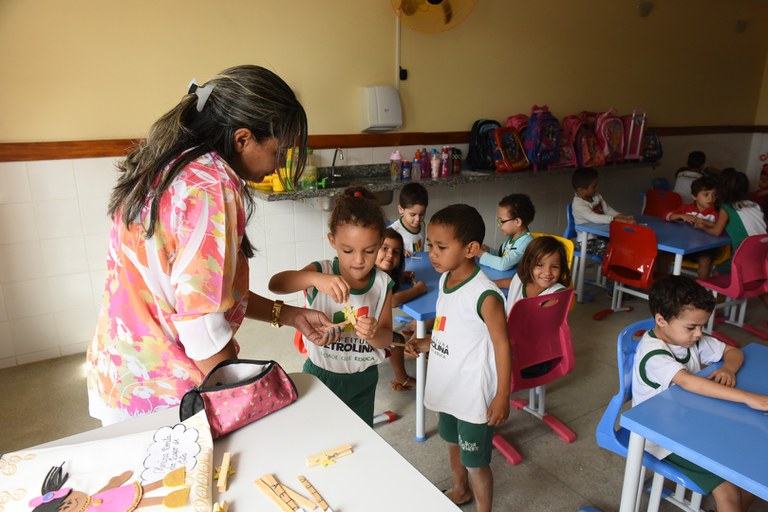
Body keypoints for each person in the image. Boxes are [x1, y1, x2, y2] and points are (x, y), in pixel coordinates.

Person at [86, 65, 334, 426]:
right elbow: (200, 325)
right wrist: (242, 399)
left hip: (121, 375)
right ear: (243, 139)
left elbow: (202, 293)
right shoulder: (211, 186)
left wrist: (291, 315)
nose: (281, 164)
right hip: (165, 394)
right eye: (280, 151)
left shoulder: (171, 166)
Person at [405, 204, 511, 512]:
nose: (433, 254)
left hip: (473, 395)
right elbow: (450, 326)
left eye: (441, 247)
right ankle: (460, 490)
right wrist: (427, 342)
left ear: (471, 249)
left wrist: (502, 396)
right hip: (449, 384)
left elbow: (503, 346)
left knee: (476, 461)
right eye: (430, 245)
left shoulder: (485, 295)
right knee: (452, 442)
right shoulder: (445, 280)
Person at [632, 276, 768, 512]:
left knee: (751, 464)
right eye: (691, 327)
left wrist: (728, 369)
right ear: (661, 320)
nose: (698, 334)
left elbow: (733, 352)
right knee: (729, 491)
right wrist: (749, 397)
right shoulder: (653, 353)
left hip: (694, 422)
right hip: (663, 439)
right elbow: (689, 383)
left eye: (701, 326)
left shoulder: (687, 340)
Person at [269, 186, 394, 426]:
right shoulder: (322, 271)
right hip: (321, 375)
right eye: (348, 250)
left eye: (369, 251)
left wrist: (374, 334)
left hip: (363, 379)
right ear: (332, 241)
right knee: (317, 433)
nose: (359, 260)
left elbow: (387, 338)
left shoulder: (382, 284)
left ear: (380, 244)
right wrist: (315, 279)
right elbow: (276, 284)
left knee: (359, 433)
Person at [375, 227, 427, 392]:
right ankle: (402, 379)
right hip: (367, 331)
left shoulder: (385, 274)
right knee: (397, 340)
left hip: (373, 326)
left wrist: (401, 276)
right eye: (384, 248)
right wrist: (418, 289)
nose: (390, 255)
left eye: (396, 252)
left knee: (397, 337)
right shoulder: (376, 276)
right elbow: (393, 301)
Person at [494, 235, 572, 316]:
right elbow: (512, 282)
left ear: (561, 268)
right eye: (540, 265)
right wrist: (490, 283)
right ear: (529, 264)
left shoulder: (558, 295)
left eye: (555, 267)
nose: (547, 272)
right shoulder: (519, 279)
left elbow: (535, 321)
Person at [571, 167, 635, 256]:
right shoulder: (578, 205)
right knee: (613, 251)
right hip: (586, 241)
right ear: (581, 190)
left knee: (622, 243)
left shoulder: (596, 196)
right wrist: (616, 219)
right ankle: (611, 264)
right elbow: (595, 218)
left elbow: (607, 210)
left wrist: (621, 216)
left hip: (600, 235)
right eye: (593, 187)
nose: (597, 188)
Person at [664, 176, 719, 279]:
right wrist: (681, 215)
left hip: (705, 249)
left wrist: (704, 223)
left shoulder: (715, 214)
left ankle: (700, 286)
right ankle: (663, 283)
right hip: (684, 246)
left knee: (705, 261)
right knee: (663, 256)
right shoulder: (686, 209)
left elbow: (718, 227)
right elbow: (666, 215)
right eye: (706, 194)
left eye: (714, 195)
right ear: (694, 196)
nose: (710, 198)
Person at [478, 193, 535, 271]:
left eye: (501, 221)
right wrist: (489, 251)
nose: (499, 225)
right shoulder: (513, 238)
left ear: (517, 222)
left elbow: (504, 264)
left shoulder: (526, 242)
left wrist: (480, 253)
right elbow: (503, 256)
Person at [390, 182, 429, 256]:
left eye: (421, 214)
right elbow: (381, 246)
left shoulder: (422, 224)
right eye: (413, 215)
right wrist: (399, 251)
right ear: (401, 209)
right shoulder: (394, 230)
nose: (418, 219)